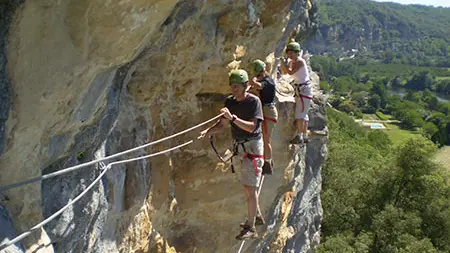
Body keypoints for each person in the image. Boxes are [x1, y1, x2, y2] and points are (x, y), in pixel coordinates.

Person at [199, 69, 264, 240]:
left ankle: (251, 228)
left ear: (244, 86)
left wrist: (233, 118)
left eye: (236, 86)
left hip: (252, 148)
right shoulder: (230, 101)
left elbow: (252, 127)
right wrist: (209, 131)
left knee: (250, 189)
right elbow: (222, 125)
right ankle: (255, 215)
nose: (233, 89)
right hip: (240, 148)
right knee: (247, 187)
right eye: (232, 86)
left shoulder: (254, 102)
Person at [280, 41, 313, 144]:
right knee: (304, 113)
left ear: (296, 53)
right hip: (302, 90)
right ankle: (304, 135)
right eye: (288, 53)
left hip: (303, 90)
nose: (290, 55)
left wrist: (282, 62)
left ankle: (299, 136)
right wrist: (285, 64)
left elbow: (290, 72)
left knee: (300, 115)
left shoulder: (300, 61)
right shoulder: (293, 62)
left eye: (291, 53)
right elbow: (286, 72)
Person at [249, 59, 278, 175]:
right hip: (267, 111)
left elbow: (259, 86)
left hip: (268, 112)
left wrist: (253, 81)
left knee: (266, 140)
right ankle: (268, 161)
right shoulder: (267, 80)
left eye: (258, 74)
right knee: (264, 138)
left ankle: (267, 164)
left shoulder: (268, 82)